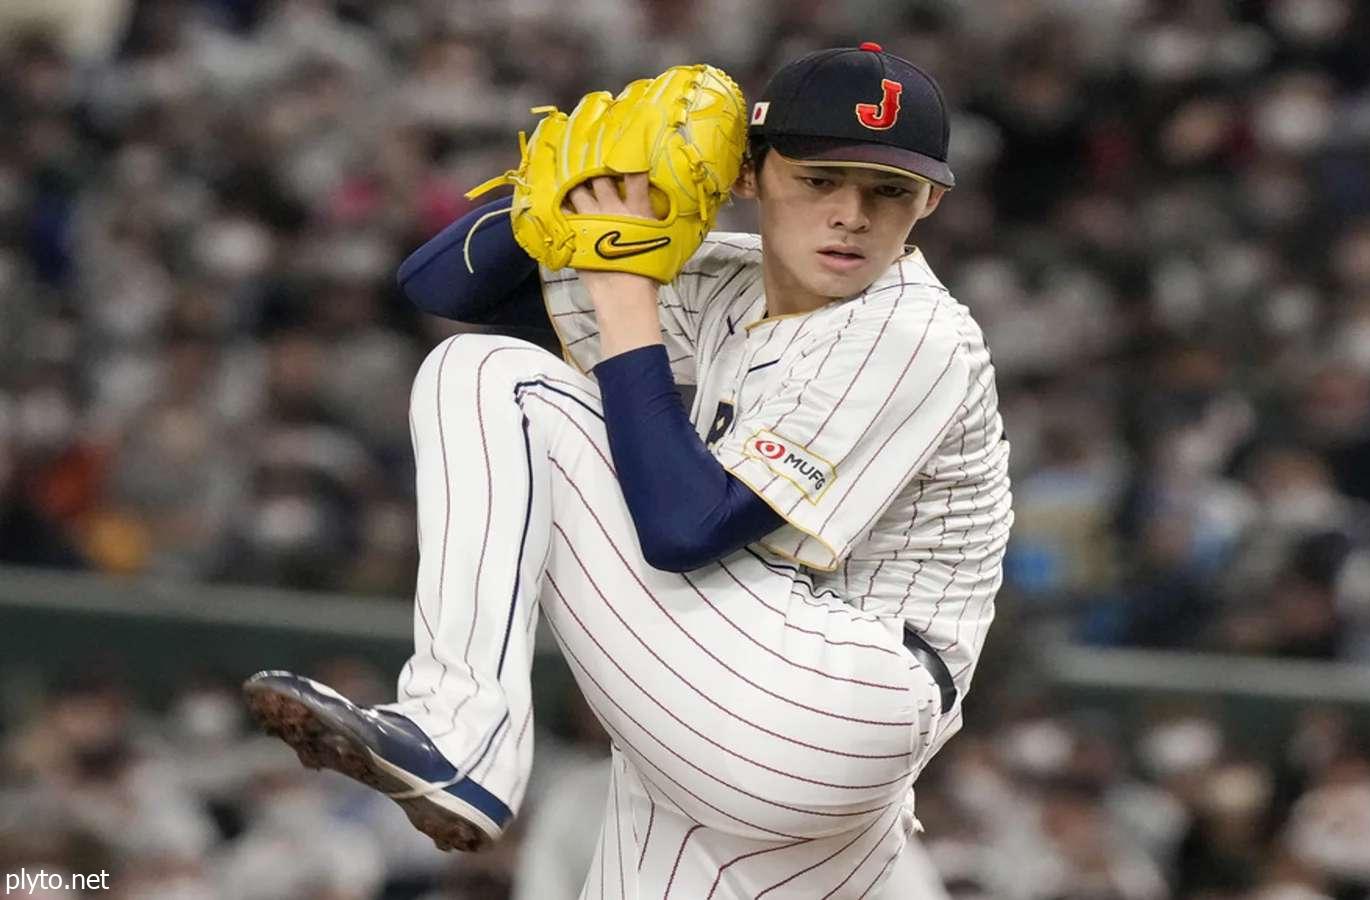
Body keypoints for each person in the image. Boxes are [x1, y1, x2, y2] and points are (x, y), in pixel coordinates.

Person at [243, 42, 1012, 897]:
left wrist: (623, 287)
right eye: (820, 179)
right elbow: (440, 285)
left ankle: (460, 735)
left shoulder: (911, 331)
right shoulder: (729, 284)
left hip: (831, 701)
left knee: (492, 380)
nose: (851, 214)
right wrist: (577, 197)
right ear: (749, 175)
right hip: (724, 710)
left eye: (888, 191)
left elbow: (685, 529)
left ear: (931, 200)